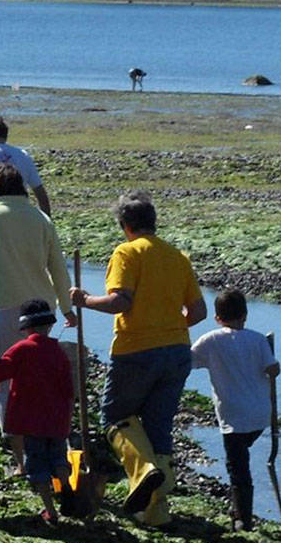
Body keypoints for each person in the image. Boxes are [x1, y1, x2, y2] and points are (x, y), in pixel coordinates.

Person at [71, 190, 207, 525]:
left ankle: (143, 470)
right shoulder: (178, 257)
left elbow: (121, 302)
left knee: (115, 417)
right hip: (177, 350)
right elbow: (200, 311)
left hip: (137, 350)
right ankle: (156, 510)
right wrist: (170, 324)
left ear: (126, 225)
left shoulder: (127, 253)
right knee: (158, 424)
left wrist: (84, 300)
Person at [0, 163, 75, 464]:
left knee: (5, 382)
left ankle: (19, 455)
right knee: (39, 377)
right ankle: (44, 440)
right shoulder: (41, 218)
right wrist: (67, 307)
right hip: (43, 309)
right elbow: (58, 268)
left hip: (8, 309)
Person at [191, 289, 280, 531]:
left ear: (217, 318)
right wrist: (273, 365)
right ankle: (238, 509)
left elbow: (187, 362)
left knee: (238, 468)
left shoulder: (210, 340)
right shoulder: (258, 340)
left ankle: (243, 518)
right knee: (241, 457)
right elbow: (272, 370)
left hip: (232, 416)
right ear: (246, 315)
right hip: (261, 414)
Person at [0, 299, 75, 526]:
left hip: (31, 422)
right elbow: (69, 391)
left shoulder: (22, 349)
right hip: (56, 422)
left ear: (25, 327)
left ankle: (50, 510)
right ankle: (66, 488)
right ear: (48, 326)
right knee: (58, 458)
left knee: (37, 466)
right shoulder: (58, 352)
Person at [0, 115, 51, 216]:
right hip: (21, 210)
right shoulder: (23, 154)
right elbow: (40, 193)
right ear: (6, 135)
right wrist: (47, 220)